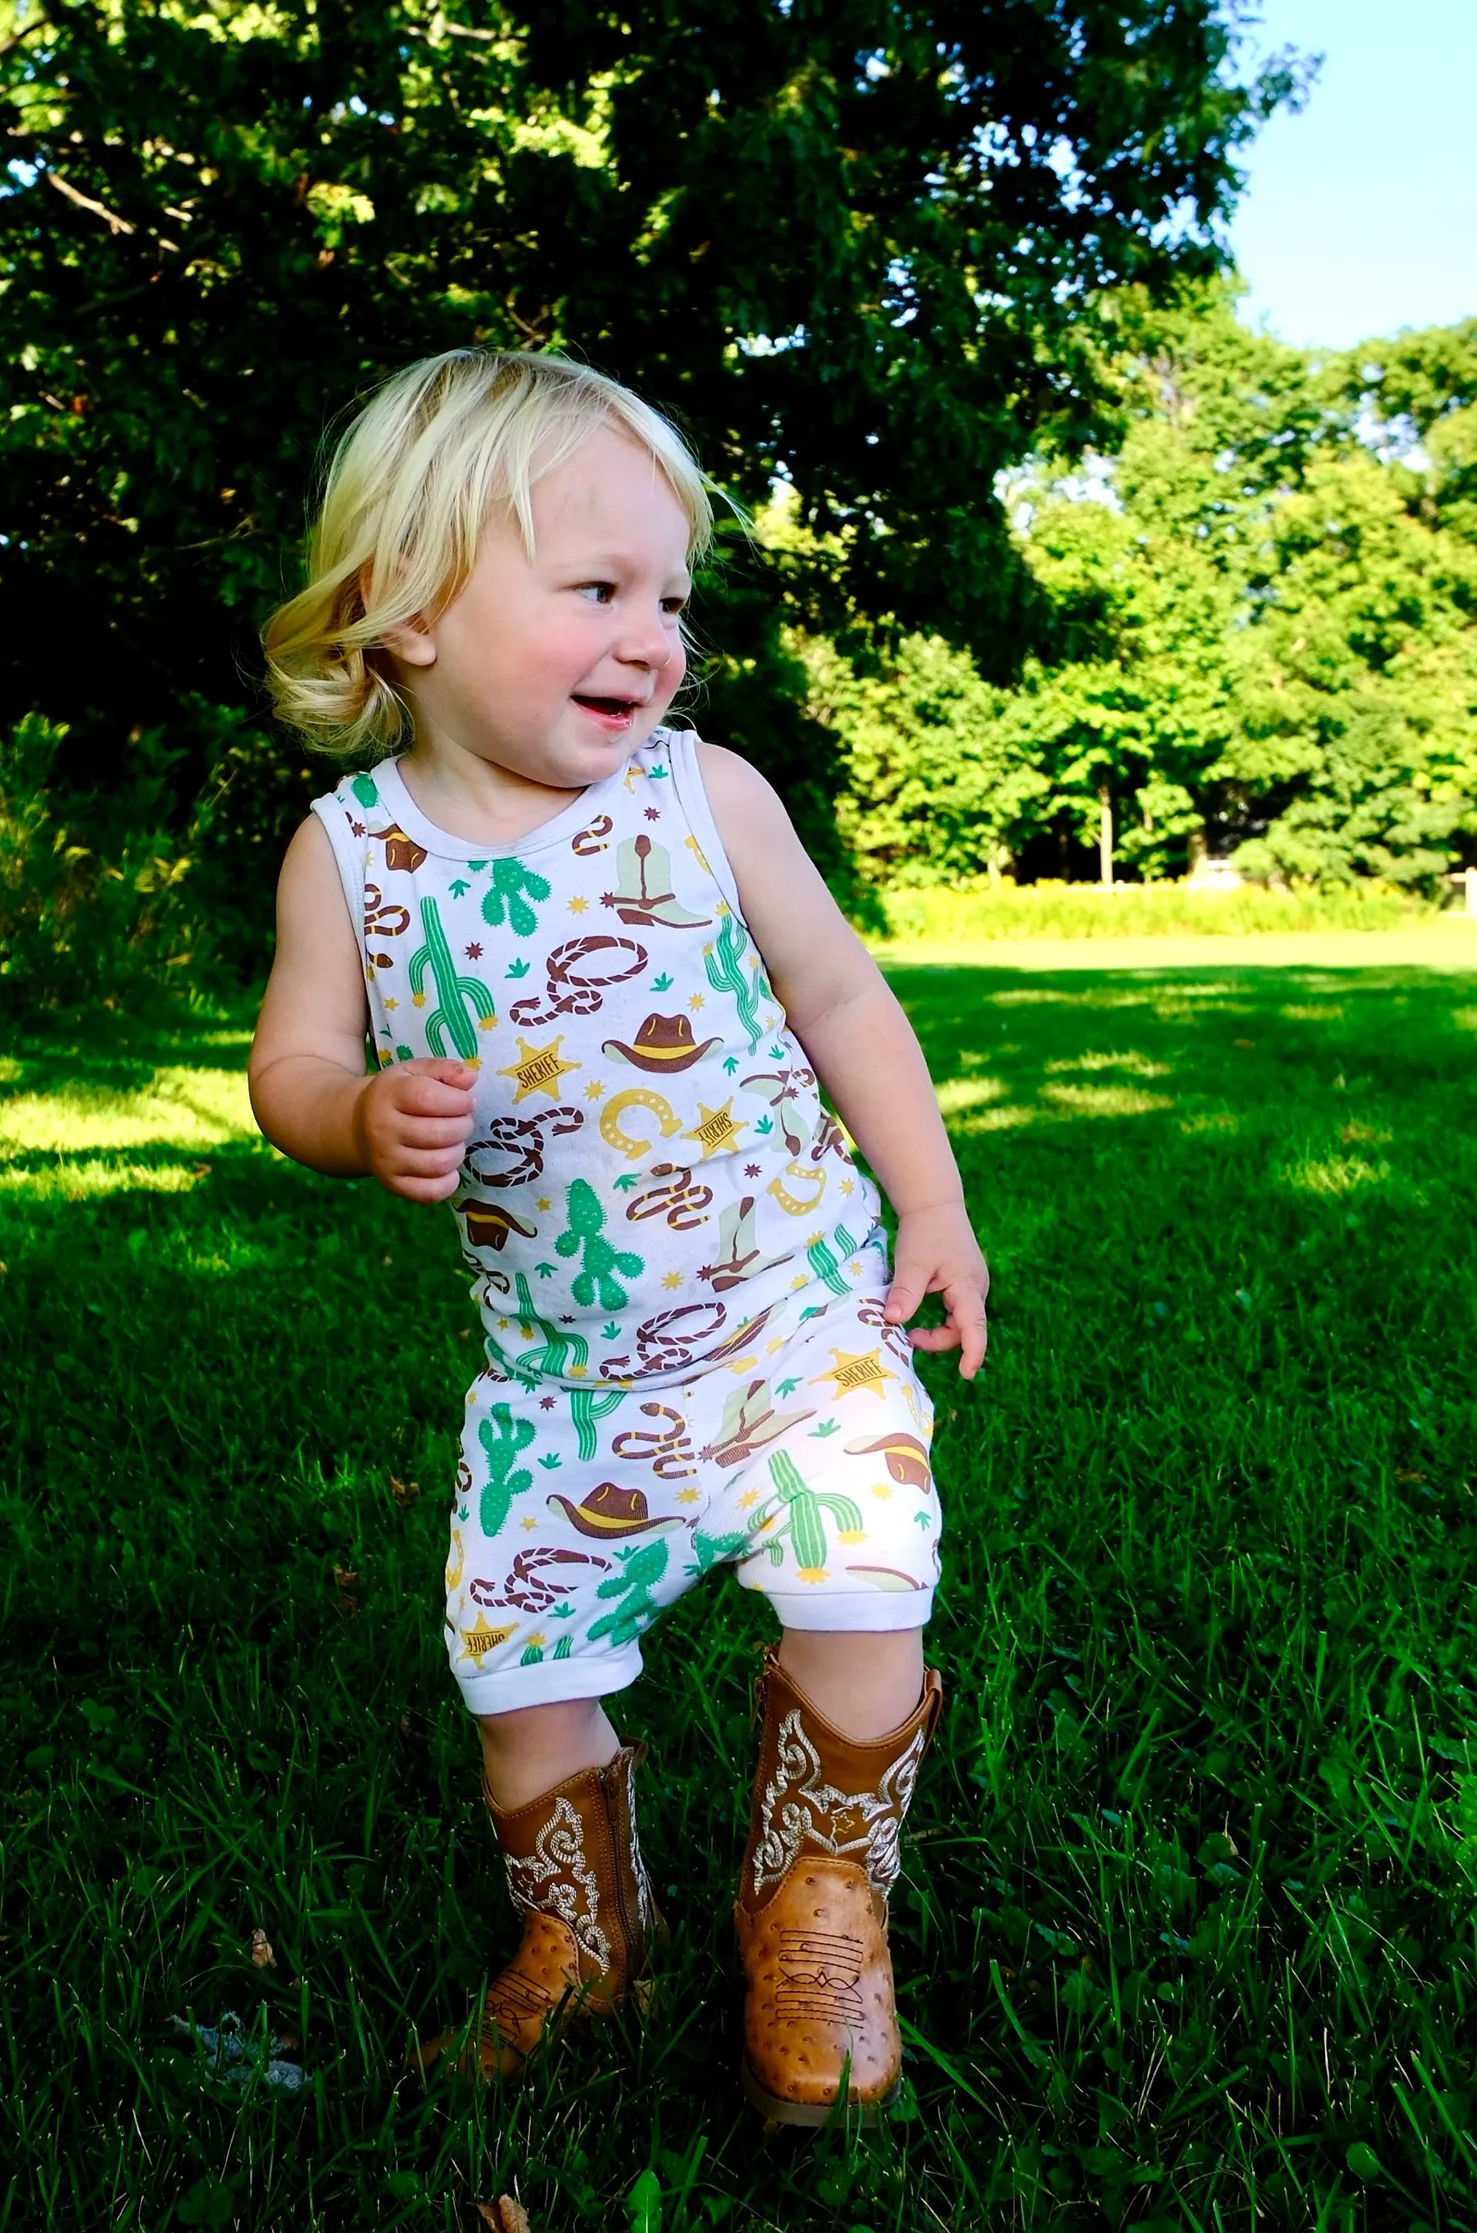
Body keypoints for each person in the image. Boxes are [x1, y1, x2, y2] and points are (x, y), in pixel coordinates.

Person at [249, 348, 988, 2125]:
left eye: (667, 596)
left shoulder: (706, 798)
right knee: (520, 1676)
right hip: (561, 1390)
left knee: (864, 1584)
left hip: (794, 1331)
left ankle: (819, 1902)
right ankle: (585, 1940)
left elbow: (842, 1001)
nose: (652, 634)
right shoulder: (351, 857)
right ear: (399, 612)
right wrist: (351, 1117)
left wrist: (934, 1199)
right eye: (596, 589)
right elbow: (290, 1060)